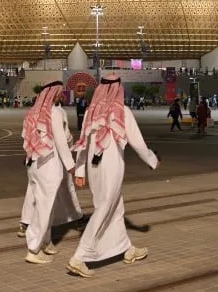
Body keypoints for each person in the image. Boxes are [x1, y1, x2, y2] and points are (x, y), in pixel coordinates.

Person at [67, 73, 159, 278]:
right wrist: (152, 160)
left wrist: (80, 170)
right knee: (105, 207)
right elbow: (138, 142)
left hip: (93, 166)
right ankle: (80, 257)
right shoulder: (122, 112)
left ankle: (126, 248)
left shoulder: (91, 112)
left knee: (116, 208)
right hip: (111, 165)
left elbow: (83, 143)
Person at [21, 80, 76, 264]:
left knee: (47, 206)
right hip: (49, 166)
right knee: (44, 208)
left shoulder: (33, 113)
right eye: (59, 92)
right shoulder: (55, 112)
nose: (61, 95)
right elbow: (62, 140)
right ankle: (34, 249)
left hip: (34, 164)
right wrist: (71, 165)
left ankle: (46, 242)